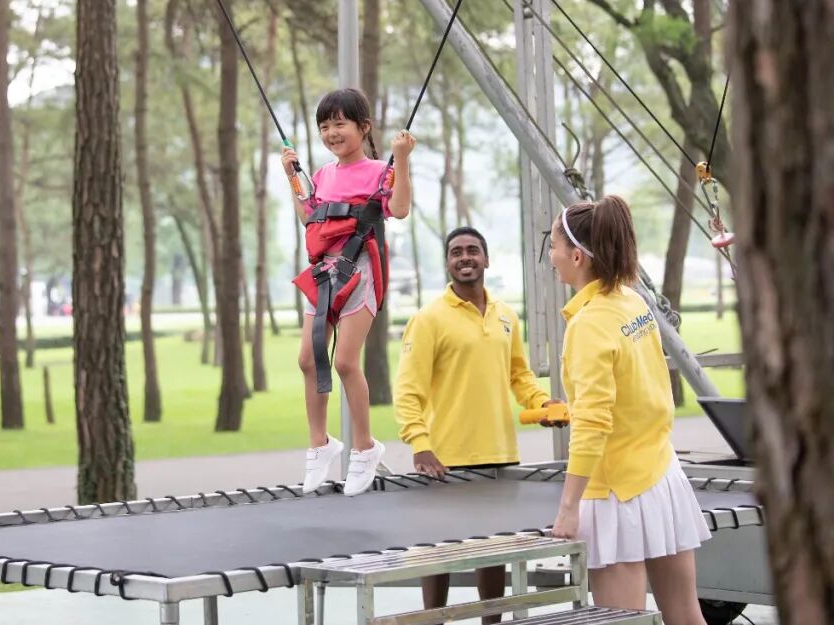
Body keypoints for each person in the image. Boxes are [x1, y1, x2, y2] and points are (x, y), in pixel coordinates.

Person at [547, 195, 710, 624]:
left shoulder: (588, 323)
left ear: (577, 257)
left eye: (554, 246)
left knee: (621, 620)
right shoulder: (632, 301)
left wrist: (569, 506)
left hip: (616, 492)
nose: (551, 256)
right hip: (661, 475)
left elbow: (593, 423)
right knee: (686, 614)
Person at [394, 226, 556, 621]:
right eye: (456, 252)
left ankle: (492, 621)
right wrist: (420, 443)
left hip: (499, 452)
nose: (465, 257)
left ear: (486, 259)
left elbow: (519, 375)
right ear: (447, 263)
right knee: (439, 552)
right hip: (444, 457)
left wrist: (542, 403)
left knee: (493, 551)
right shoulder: (428, 318)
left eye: (472, 250)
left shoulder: (506, 316)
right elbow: (408, 389)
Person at [281, 88, 414, 497]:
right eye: (324, 126)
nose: (332, 133)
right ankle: (320, 444)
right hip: (325, 274)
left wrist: (402, 159)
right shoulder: (322, 175)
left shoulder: (378, 171)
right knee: (308, 358)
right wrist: (292, 177)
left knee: (344, 361)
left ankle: (365, 447)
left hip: (362, 271)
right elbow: (310, 217)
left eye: (340, 124)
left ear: (363, 127)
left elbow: (400, 209)